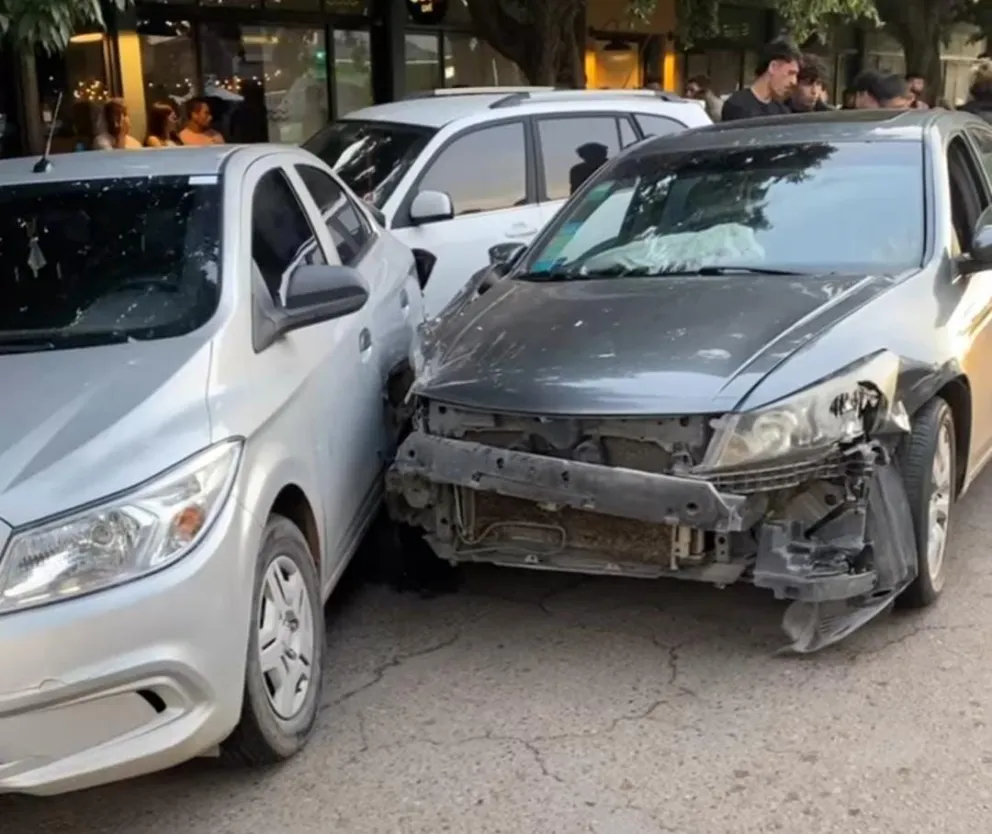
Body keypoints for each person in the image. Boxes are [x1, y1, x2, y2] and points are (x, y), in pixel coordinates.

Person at [720, 39, 802, 121]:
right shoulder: (737, 106)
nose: (794, 81)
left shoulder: (782, 111)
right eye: (790, 73)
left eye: (796, 75)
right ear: (773, 67)